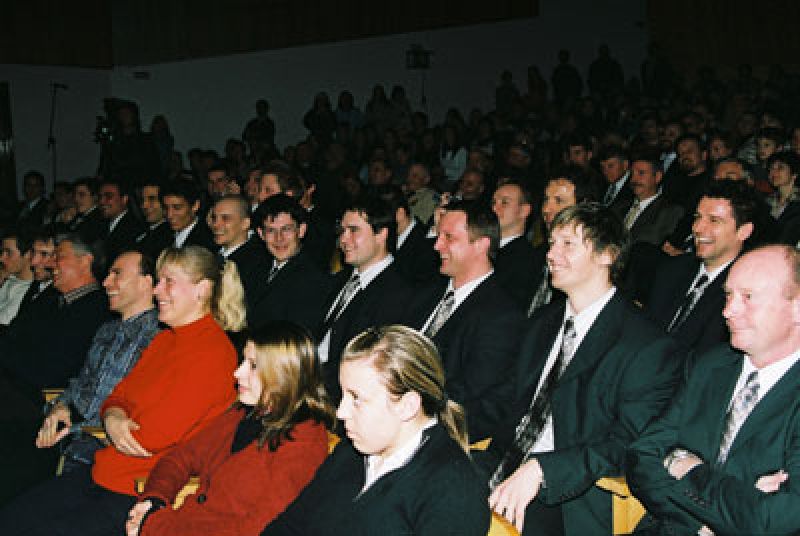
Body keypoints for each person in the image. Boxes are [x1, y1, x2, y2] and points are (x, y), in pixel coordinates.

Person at [0, 245, 246, 534]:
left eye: (168, 282)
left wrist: (115, 417)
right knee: (11, 518)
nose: (157, 291)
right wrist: (115, 417)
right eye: (159, 281)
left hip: (140, 488)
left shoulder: (213, 353)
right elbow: (116, 397)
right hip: (106, 471)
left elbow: (149, 437)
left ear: (201, 290)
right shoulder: (165, 340)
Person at [478, 203, 681, 535]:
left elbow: (629, 444)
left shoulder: (646, 346)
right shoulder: (544, 322)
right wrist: (441, 419)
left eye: (568, 244)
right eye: (552, 243)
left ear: (607, 255)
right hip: (504, 459)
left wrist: (543, 469)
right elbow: (506, 398)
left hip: (569, 494)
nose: (551, 254)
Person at [628, 245, 800, 535]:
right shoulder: (711, 365)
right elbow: (641, 455)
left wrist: (688, 469)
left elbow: (778, 518)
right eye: (729, 295)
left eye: (748, 297)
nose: (728, 311)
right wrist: (709, 519)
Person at [262, 325, 490, 535]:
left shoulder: (455, 492)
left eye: (356, 398)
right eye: (343, 395)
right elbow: (291, 526)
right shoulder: (350, 451)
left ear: (407, 406)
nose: (341, 412)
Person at [126, 322, 334, 536]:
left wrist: (155, 526)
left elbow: (260, 528)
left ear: (284, 375)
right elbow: (180, 459)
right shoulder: (244, 413)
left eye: (253, 365)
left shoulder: (304, 440)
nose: (237, 372)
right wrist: (154, 500)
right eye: (243, 360)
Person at [409, 200, 524, 440]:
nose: (437, 246)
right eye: (438, 236)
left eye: (449, 237)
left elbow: (469, 394)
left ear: (481, 245)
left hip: (434, 429)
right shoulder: (425, 295)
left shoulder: (502, 315)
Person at [250, 194, 332, 331]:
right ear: (261, 234)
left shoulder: (314, 280)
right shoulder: (256, 269)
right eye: (271, 230)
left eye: (286, 229)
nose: (279, 238)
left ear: (301, 230)